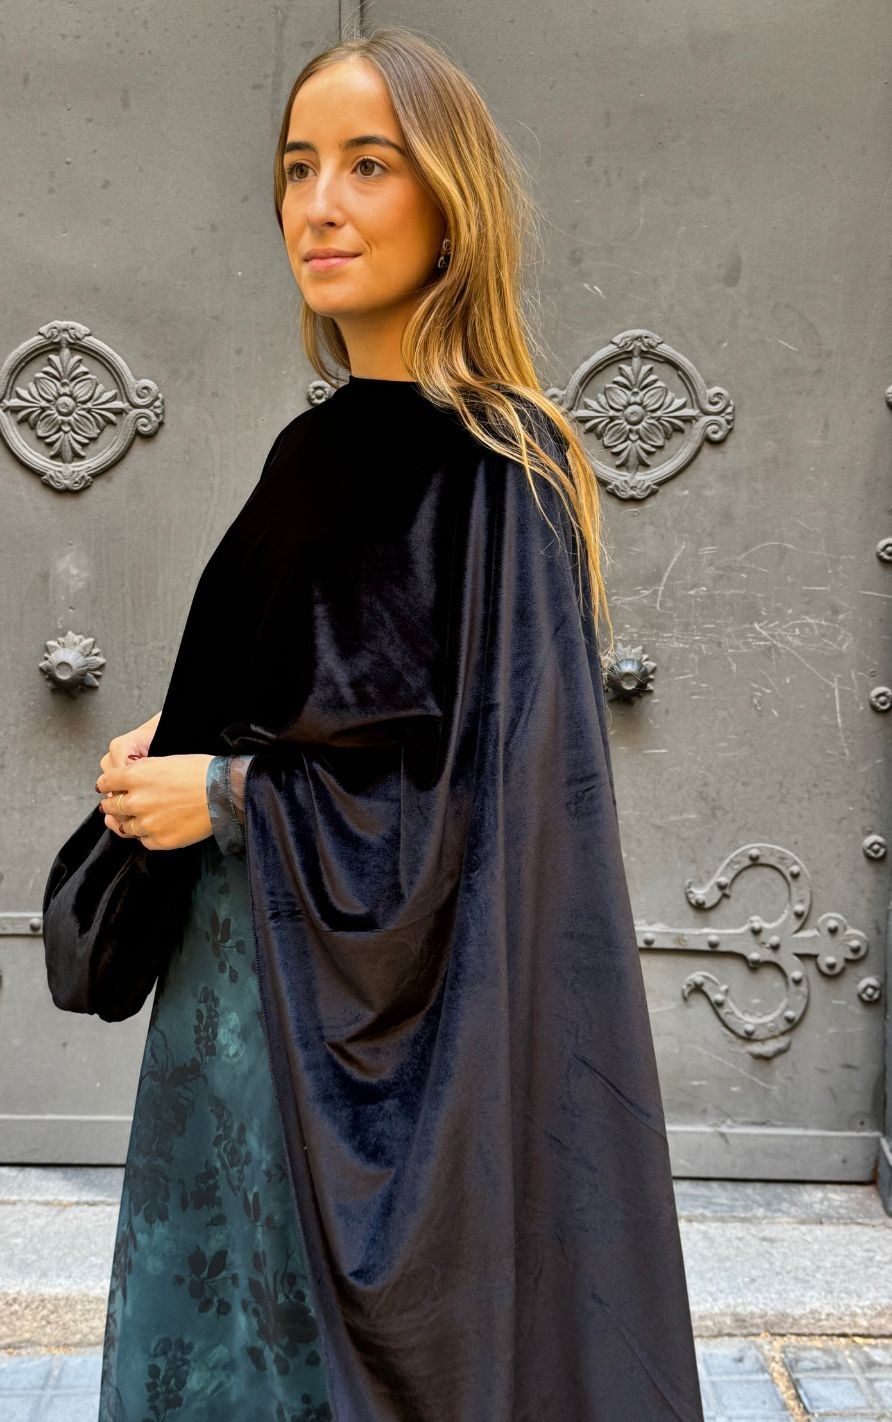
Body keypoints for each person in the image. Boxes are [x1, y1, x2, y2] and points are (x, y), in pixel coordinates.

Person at [92, 25, 704, 1422]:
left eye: (369, 165)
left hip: (370, 1049)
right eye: (299, 167)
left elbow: (492, 804)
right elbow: (328, 696)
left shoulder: (502, 467)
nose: (321, 204)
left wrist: (231, 796)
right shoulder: (311, 446)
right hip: (240, 1014)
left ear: (450, 201)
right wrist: (176, 739)